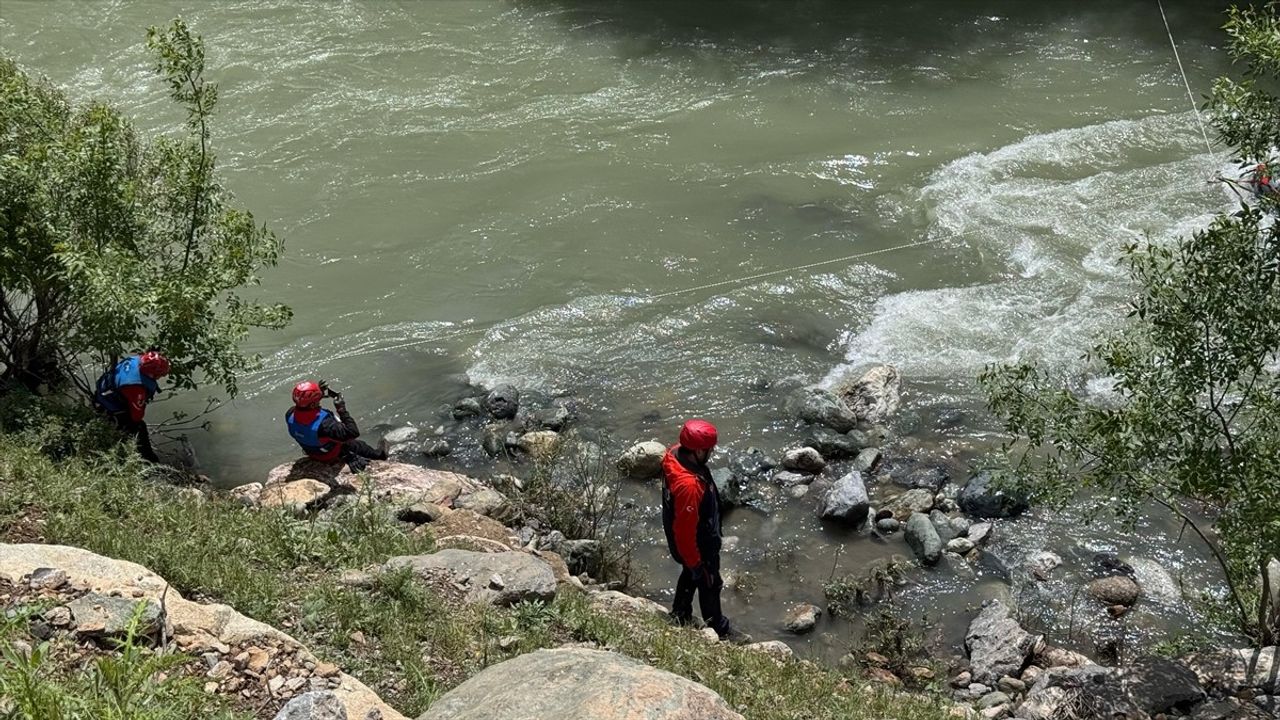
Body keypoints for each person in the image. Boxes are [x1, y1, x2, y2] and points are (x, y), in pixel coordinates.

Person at [661, 418, 736, 639]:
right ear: (698, 451)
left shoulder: (674, 455)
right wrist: (696, 563)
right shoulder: (689, 486)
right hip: (697, 544)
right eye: (709, 449)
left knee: (689, 576)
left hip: (683, 540)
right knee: (710, 582)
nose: (712, 452)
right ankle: (718, 629)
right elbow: (685, 532)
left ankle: (680, 614)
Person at [285, 380, 388, 472]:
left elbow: (306, 420)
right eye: (318, 399)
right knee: (357, 444)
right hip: (329, 455)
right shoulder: (325, 425)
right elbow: (353, 432)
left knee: (330, 436)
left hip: (311, 451)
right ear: (312, 405)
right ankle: (380, 455)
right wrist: (341, 409)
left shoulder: (290, 414)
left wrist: (318, 391)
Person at [93, 350, 171, 462]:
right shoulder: (135, 387)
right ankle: (149, 462)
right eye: (160, 375)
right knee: (139, 427)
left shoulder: (136, 360)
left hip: (104, 390)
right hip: (108, 403)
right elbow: (137, 416)